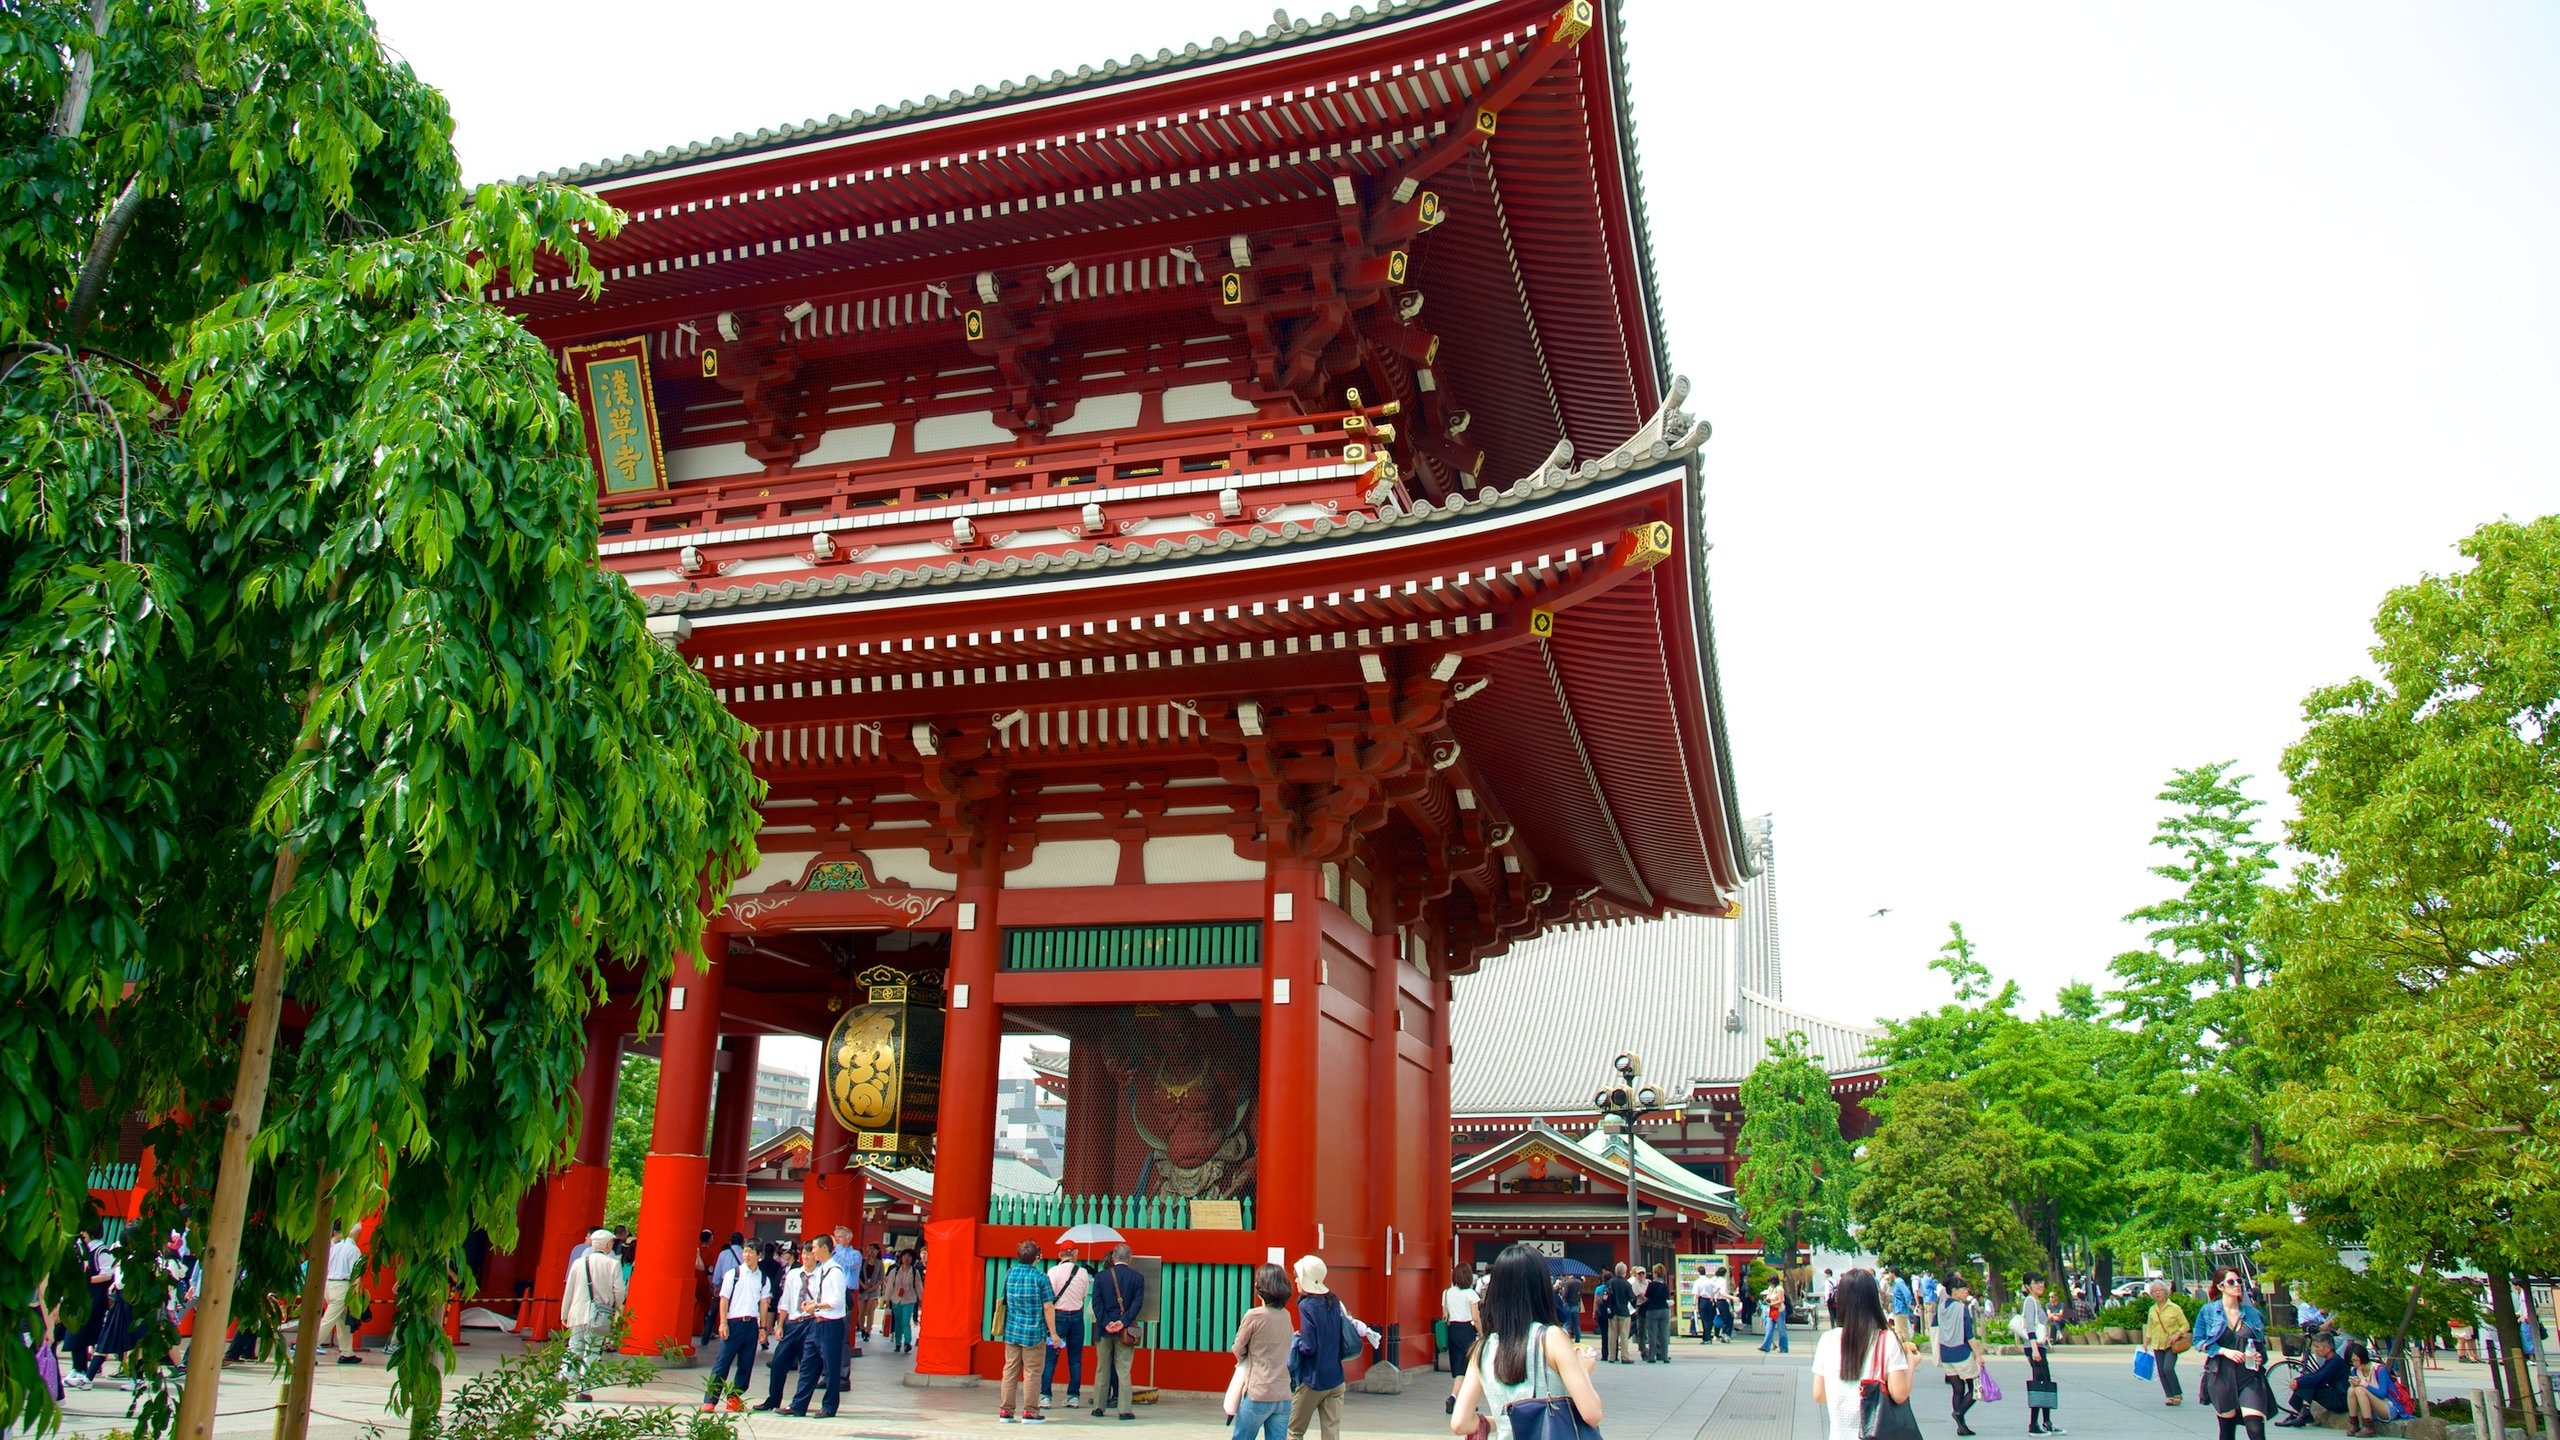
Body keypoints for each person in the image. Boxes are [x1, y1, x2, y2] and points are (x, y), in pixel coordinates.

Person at [1449, 1244, 1605, 1440]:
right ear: (1541, 1287)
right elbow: (1592, 1414)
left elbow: (1459, 1422)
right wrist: (1583, 1369)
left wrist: (1504, 1420)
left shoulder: (1483, 1348)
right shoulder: (1551, 1337)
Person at [1812, 1270, 1911, 1440]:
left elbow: (1819, 1394)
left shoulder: (1827, 1340)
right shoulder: (1886, 1340)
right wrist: (1912, 1364)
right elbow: (1900, 1394)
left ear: (1841, 1300)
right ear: (1873, 1300)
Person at [2193, 1266, 2276, 1440]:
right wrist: (2223, 1351)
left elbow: (2261, 1348)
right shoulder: (2208, 1312)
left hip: (2249, 1375)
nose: (2237, 1285)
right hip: (2220, 1375)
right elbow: (2198, 1341)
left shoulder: (2253, 1314)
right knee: (2227, 1430)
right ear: (2220, 1287)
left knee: (2255, 1429)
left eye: (2239, 1281)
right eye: (2231, 1282)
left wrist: (2260, 1357)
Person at [701, 1236, 771, 1412]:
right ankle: (710, 1399)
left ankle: (734, 1397)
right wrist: (723, 1322)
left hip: (751, 1325)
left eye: (750, 1252)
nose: (746, 1255)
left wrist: (763, 1328)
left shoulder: (763, 1278)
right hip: (733, 1323)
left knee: (746, 1365)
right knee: (722, 1362)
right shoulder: (734, 1274)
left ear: (759, 1255)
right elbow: (723, 1299)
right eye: (745, 1251)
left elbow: (763, 1303)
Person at [755, 1242, 826, 1412]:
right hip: (792, 1323)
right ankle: (773, 1399)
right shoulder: (794, 1274)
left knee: (808, 1366)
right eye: (803, 1254)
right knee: (779, 1362)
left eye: (809, 1254)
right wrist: (779, 1325)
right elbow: (785, 1301)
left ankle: (798, 1404)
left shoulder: (823, 1275)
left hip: (811, 1322)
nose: (806, 1257)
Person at [787, 1233, 851, 1417]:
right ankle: (798, 1405)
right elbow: (824, 1297)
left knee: (831, 1368)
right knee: (808, 1364)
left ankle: (829, 1406)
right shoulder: (823, 1269)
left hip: (831, 1325)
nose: (812, 1251)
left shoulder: (836, 1271)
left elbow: (837, 1301)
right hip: (818, 1322)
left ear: (824, 1248)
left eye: (814, 1248)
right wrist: (813, 1304)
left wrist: (815, 1305)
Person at [997, 1240, 1061, 1423]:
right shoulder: (1041, 1278)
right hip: (1034, 1332)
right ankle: (1031, 1411)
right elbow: (1048, 1307)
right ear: (1037, 1257)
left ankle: (1006, 1411)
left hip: (1012, 1331)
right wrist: (1054, 1333)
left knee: (1009, 1371)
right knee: (1032, 1373)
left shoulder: (1010, 1274)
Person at [1232, 1264, 1298, 1440]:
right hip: (1283, 1394)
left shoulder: (1254, 1315)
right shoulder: (1286, 1315)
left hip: (1258, 1392)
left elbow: (1238, 1346)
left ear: (1258, 1287)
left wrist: (1245, 1360)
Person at [559, 1229, 626, 1402]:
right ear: (607, 1244)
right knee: (592, 1350)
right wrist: (616, 1307)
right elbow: (619, 1291)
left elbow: (569, 1290)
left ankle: (564, 1381)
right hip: (600, 1315)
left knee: (573, 1347)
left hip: (577, 1312)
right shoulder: (612, 1264)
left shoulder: (579, 1263)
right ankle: (583, 1389)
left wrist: (564, 1313)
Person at [1289, 1255, 1351, 1440]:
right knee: (1331, 1434)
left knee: (1294, 1431)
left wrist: (1296, 1341)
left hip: (1313, 1380)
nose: (1295, 1280)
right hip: (1336, 1379)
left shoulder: (1307, 1305)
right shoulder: (1333, 1301)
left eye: (1298, 1276)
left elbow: (1309, 1347)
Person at [1092, 1242, 1146, 1419]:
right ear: (1129, 1259)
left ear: (1113, 1258)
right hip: (1125, 1331)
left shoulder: (1101, 1277)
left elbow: (1096, 1304)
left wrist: (1107, 1322)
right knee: (1123, 1369)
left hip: (1104, 1330)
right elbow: (1137, 1305)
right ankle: (1124, 1410)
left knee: (1102, 1369)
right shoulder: (1137, 1278)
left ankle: (1098, 1407)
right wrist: (1122, 1322)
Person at [1043, 1242, 1092, 1411]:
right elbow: (1085, 1294)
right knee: (1075, 1359)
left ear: (1060, 1254)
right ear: (1075, 1254)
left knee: (1050, 1358)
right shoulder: (1083, 1272)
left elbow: (1049, 1296)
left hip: (1058, 1317)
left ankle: (1045, 1397)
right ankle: (1073, 1396)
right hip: (1077, 1317)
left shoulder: (1052, 1271)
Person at [1935, 1275, 1982, 1437]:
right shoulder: (1961, 1308)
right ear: (1954, 1291)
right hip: (1961, 1352)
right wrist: (1979, 1356)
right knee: (1976, 1389)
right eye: (1963, 1289)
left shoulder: (1941, 1306)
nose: (1966, 1291)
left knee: (1957, 1389)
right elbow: (1969, 1335)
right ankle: (1959, 1413)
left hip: (1946, 1353)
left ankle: (1961, 1426)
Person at [2018, 1277, 2064, 1436]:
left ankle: (2047, 1421)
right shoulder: (2030, 1302)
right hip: (2034, 1347)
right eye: (2035, 1283)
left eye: (2041, 1282)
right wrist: (2035, 1349)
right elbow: (2030, 1326)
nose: (2040, 1285)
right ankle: (2033, 1425)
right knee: (2039, 1384)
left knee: (2046, 1383)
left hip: (2039, 1347)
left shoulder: (2037, 1302)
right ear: (2027, 1286)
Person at [2274, 1334, 2350, 1427]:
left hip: (2340, 1400)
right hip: (2335, 1395)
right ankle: (2301, 1412)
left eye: (2318, 1347)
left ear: (2327, 1348)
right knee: (2308, 1379)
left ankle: (2297, 1414)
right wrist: (2297, 1380)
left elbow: (2320, 1378)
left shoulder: (2336, 1362)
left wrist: (2299, 1382)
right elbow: (2317, 1374)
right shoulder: (2332, 1360)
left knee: (2310, 1382)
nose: (2316, 1350)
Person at [2341, 1342, 2409, 1438]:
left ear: (2362, 1357)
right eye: (2351, 1362)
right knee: (2351, 1389)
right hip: (2372, 1409)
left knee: (2360, 1390)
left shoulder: (2380, 1370)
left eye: (2355, 1360)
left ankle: (2368, 1427)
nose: (2354, 1364)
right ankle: (2354, 1424)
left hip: (2388, 1407)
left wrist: (2363, 1384)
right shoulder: (2355, 1371)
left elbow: (2382, 1394)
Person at [2145, 1281, 2190, 1408]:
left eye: (2159, 1290)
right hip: (2157, 1343)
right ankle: (2170, 1396)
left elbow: (2185, 1325)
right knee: (2161, 1371)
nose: (2157, 1293)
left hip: (2172, 1344)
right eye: (2154, 1291)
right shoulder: (2152, 1309)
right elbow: (2150, 1326)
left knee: (2168, 1368)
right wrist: (2146, 1340)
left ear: (2165, 1292)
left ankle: (2177, 1393)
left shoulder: (2174, 1308)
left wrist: (2177, 1334)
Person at [1442, 1270, 1480, 1410]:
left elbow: (1445, 1315)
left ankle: (1460, 1399)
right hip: (1466, 1331)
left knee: (1459, 1368)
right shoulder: (1471, 1294)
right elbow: (1476, 1318)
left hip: (1452, 1331)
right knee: (1469, 1368)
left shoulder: (1447, 1293)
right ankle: (1457, 1398)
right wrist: (1482, 1334)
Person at [831, 1226, 867, 1365]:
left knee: (843, 1334)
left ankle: (842, 1373)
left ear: (848, 1238)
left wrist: (838, 1248)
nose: (837, 1240)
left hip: (846, 1293)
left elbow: (850, 1263)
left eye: (839, 1237)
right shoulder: (833, 1254)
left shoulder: (855, 1254)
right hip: (832, 1292)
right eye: (836, 1237)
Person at [885, 1250, 923, 1355]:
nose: (906, 1258)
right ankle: (898, 1343)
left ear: (912, 1259)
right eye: (904, 1256)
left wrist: (921, 1299)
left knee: (905, 1322)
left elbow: (919, 1286)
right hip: (896, 1299)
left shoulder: (915, 1272)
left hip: (909, 1299)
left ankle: (907, 1342)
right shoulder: (895, 1271)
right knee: (897, 1322)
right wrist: (887, 1299)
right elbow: (889, 1286)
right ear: (901, 1258)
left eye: (909, 1256)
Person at [1599, 1264, 1633, 1364]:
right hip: (1624, 1312)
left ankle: (1612, 1356)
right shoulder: (1627, 1284)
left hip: (1612, 1312)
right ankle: (1624, 1356)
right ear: (1624, 1272)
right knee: (1624, 1335)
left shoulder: (1610, 1282)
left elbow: (1605, 1297)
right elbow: (1632, 1297)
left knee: (1612, 1335)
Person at [1638, 1265, 1672, 1363]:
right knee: (1663, 1334)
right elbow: (1667, 1296)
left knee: (1652, 1334)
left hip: (1653, 1310)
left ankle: (1651, 1356)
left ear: (1656, 1273)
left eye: (1653, 1272)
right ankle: (1664, 1356)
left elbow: (1647, 1296)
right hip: (1664, 1310)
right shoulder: (1665, 1285)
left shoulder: (1652, 1285)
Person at [1760, 1278, 1791, 1354]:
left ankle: (1784, 1348)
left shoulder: (1779, 1288)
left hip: (1779, 1310)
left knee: (1781, 1330)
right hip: (1772, 1309)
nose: (1769, 1283)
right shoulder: (1771, 1288)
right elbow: (1769, 1297)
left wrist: (1771, 1304)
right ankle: (1766, 1346)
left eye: (1770, 1281)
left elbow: (1781, 1300)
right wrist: (1767, 1301)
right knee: (1769, 1328)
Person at [1557, 1273, 1584, 1343]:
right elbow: (1581, 1293)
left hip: (1568, 1304)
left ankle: (1566, 1338)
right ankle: (1578, 1338)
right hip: (1575, 1304)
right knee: (1576, 1323)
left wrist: (1562, 1295)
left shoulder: (1568, 1283)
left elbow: (1565, 1294)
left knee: (1567, 1323)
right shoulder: (1579, 1283)